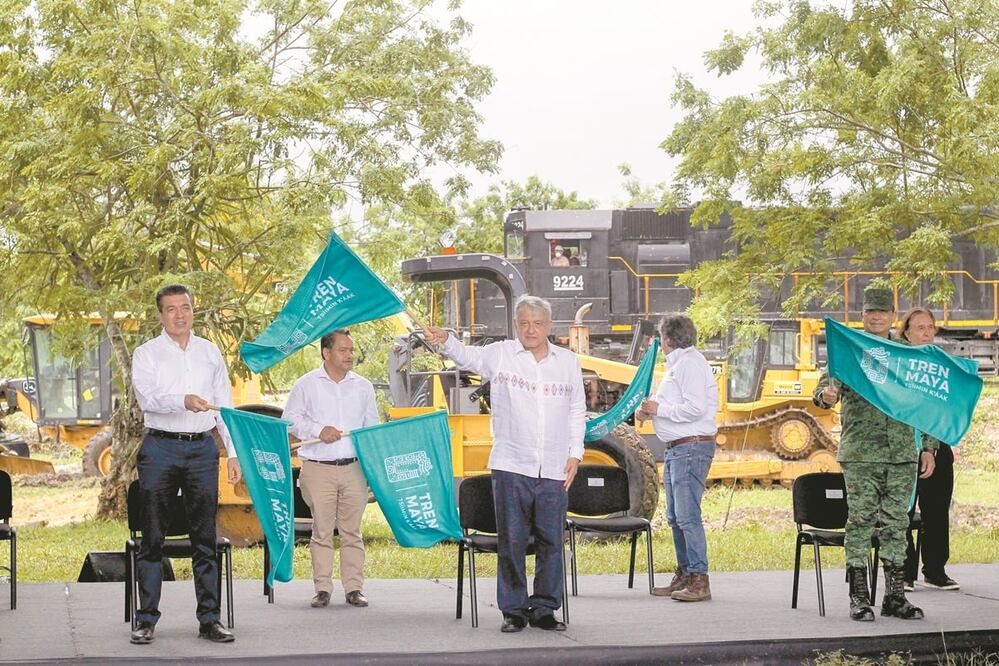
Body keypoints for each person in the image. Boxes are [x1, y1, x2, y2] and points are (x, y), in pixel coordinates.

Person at [423, 295, 585, 633]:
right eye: (524, 323)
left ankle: (544, 609)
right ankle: (513, 610)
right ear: (516, 325)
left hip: (555, 467)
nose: (531, 329)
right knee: (511, 540)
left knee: (552, 541)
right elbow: (468, 356)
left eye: (538, 324)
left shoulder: (568, 361)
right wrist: (446, 341)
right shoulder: (500, 355)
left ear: (549, 327)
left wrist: (576, 453)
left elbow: (576, 410)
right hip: (512, 464)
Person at [813, 286, 937, 622]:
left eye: (883, 312)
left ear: (893, 316)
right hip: (861, 454)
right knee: (861, 523)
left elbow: (924, 404)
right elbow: (822, 394)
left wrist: (929, 448)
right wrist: (827, 394)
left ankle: (895, 597)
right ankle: (859, 597)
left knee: (897, 525)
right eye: (871, 312)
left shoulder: (907, 354)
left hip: (901, 453)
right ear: (863, 315)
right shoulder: (849, 350)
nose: (877, 317)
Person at [129, 284, 242, 645]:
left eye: (186, 308)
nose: (180, 315)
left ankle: (210, 620)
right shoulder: (146, 353)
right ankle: (145, 620)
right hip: (160, 448)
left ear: (194, 311)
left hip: (201, 451)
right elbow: (148, 398)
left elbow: (224, 407)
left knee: (204, 539)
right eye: (172, 309)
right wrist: (183, 400)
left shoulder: (210, 353)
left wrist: (233, 453)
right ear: (161, 315)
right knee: (153, 538)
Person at [282, 329, 378, 609]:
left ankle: (354, 588)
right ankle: (322, 588)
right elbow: (290, 420)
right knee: (322, 530)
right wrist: (317, 430)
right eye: (343, 350)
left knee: (352, 531)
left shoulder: (363, 387)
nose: (350, 355)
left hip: (353, 469)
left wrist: (372, 464)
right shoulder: (305, 385)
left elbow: (371, 427)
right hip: (318, 468)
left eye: (351, 350)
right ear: (326, 353)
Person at [637, 314, 718, 602]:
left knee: (687, 515)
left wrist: (659, 410)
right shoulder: (679, 366)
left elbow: (695, 408)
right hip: (677, 447)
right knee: (675, 517)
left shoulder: (689, 364)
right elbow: (675, 405)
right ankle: (685, 574)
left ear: (666, 340)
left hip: (691, 447)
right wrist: (650, 411)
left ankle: (699, 579)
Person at [899, 308, 960, 591]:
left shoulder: (942, 365)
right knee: (903, 511)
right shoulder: (898, 365)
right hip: (906, 445)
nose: (925, 332)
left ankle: (935, 570)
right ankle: (905, 572)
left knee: (936, 510)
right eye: (919, 327)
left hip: (939, 444)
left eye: (930, 327)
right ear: (906, 332)